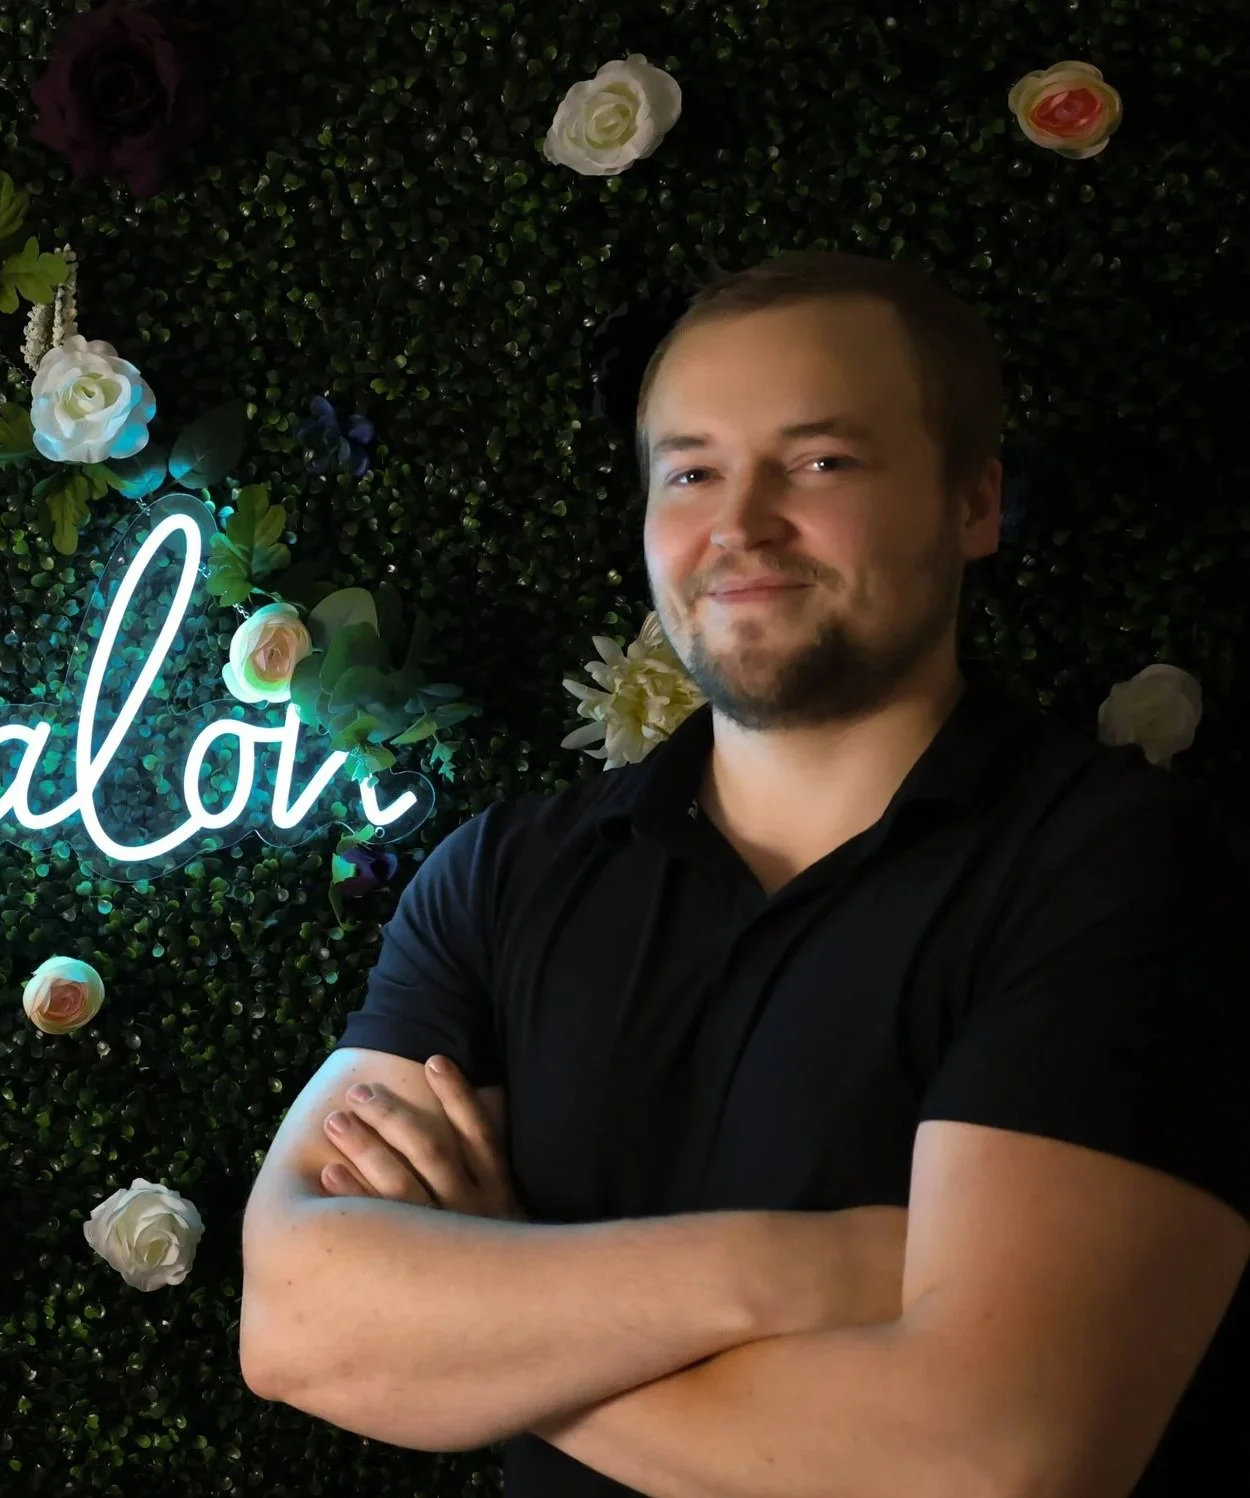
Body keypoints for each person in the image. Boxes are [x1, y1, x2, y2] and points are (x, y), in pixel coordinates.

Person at [237, 250, 1250, 1498]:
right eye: (692, 471)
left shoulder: (1120, 866)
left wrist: (498, 1294)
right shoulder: (500, 875)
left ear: (972, 502)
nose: (739, 523)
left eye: (821, 461)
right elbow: (296, 1320)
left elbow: (989, 1461)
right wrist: (811, 1267)